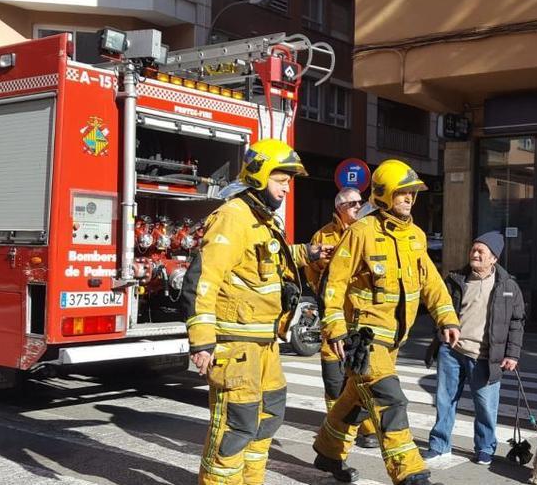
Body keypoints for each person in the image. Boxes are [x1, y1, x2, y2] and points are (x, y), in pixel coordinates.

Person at [181, 138, 332, 485]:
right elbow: (203, 278)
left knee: (269, 415)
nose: (287, 191)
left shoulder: (262, 220)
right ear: (261, 176)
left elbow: (266, 261)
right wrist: (202, 341)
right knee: (236, 426)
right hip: (236, 344)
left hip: (264, 343)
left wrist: (306, 254)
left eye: (289, 183)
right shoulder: (233, 217)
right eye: (282, 182)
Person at [312, 159, 461, 485]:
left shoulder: (416, 236)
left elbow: (432, 283)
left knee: (353, 400)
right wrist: (335, 327)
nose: (409, 198)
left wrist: (447, 317)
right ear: (383, 195)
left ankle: (327, 451)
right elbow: (333, 285)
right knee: (389, 400)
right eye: (401, 192)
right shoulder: (360, 232)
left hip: (394, 342)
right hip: (364, 341)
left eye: (412, 192)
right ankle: (409, 472)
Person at [422, 231, 526, 466]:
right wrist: (440, 335)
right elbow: (439, 308)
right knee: (445, 401)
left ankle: (485, 448)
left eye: (482, 251)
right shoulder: (456, 279)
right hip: (452, 350)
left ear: (494, 259)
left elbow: (517, 323)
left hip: (485, 356)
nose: (475, 254)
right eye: (474, 249)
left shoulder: (508, 286)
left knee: (485, 406)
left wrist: (512, 354)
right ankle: (439, 445)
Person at [305, 187, 380, 449]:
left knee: (361, 374)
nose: (359, 207)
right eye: (353, 204)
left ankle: (368, 429)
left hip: (360, 316)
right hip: (334, 316)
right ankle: (334, 427)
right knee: (334, 379)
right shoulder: (323, 235)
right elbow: (312, 272)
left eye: (361, 202)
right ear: (339, 208)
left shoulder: (368, 230)